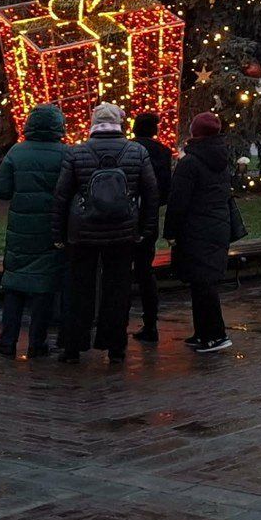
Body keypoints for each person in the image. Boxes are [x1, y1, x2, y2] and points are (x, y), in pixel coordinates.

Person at [54, 102, 159, 365]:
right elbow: (151, 192)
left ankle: (73, 346)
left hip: (83, 232)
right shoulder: (137, 152)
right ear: (119, 124)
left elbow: (62, 195)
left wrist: (58, 233)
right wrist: (145, 229)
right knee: (118, 288)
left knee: (79, 287)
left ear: (93, 124)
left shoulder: (76, 153)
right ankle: (115, 346)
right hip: (122, 232)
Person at [0, 104, 67, 358]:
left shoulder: (17, 152)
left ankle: (7, 340)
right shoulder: (66, 154)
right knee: (44, 286)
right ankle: (37, 342)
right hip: (51, 228)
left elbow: (1, 190)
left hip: (20, 229)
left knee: (14, 284)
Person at [166, 111, 239, 354]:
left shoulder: (190, 162)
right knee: (203, 281)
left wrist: (171, 232)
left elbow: (178, 200)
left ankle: (215, 334)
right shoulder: (221, 159)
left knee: (203, 283)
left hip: (196, 227)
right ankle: (203, 332)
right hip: (217, 225)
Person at [129, 112, 174, 344]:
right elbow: (165, 188)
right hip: (149, 218)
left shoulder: (128, 149)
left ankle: (116, 321)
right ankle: (150, 323)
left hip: (125, 217)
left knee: (121, 271)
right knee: (145, 271)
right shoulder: (163, 151)